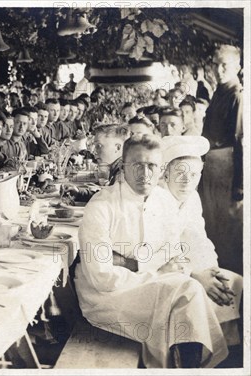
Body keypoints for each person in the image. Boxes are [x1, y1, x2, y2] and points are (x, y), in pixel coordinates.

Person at [75, 134, 228, 368]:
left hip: (151, 285)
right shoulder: (101, 206)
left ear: (161, 170)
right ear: (123, 166)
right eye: (136, 165)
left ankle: (184, 367)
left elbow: (175, 253)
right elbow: (101, 277)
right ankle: (188, 368)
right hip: (106, 298)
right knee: (187, 291)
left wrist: (131, 262)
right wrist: (149, 268)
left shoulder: (163, 201)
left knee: (190, 294)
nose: (144, 174)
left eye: (151, 166)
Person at [161, 135, 242, 346]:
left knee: (232, 282)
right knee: (194, 292)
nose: (187, 180)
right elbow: (161, 251)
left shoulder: (191, 198)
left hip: (186, 266)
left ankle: (220, 353)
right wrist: (195, 274)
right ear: (165, 173)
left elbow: (199, 240)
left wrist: (210, 270)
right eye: (180, 173)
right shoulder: (157, 200)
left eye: (194, 174)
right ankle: (185, 354)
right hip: (160, 271)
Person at [200, 45, 243, 276]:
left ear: (238, 66)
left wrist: (239, 186)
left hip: (227, 169)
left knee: (227, 233)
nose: (218, 69)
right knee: (212, 229)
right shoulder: (219, 92)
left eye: (224, 64)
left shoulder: (237, 95)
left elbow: (240, 143)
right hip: (212, 168)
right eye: (215, 64)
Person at [63, 124, 130, 202]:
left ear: (117, 148)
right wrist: (78, 193)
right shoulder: (117, 167)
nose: (93, 151)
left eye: (99, 146)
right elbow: (108, 196)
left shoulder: (124, 172)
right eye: (94, 146)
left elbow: (110, 202)